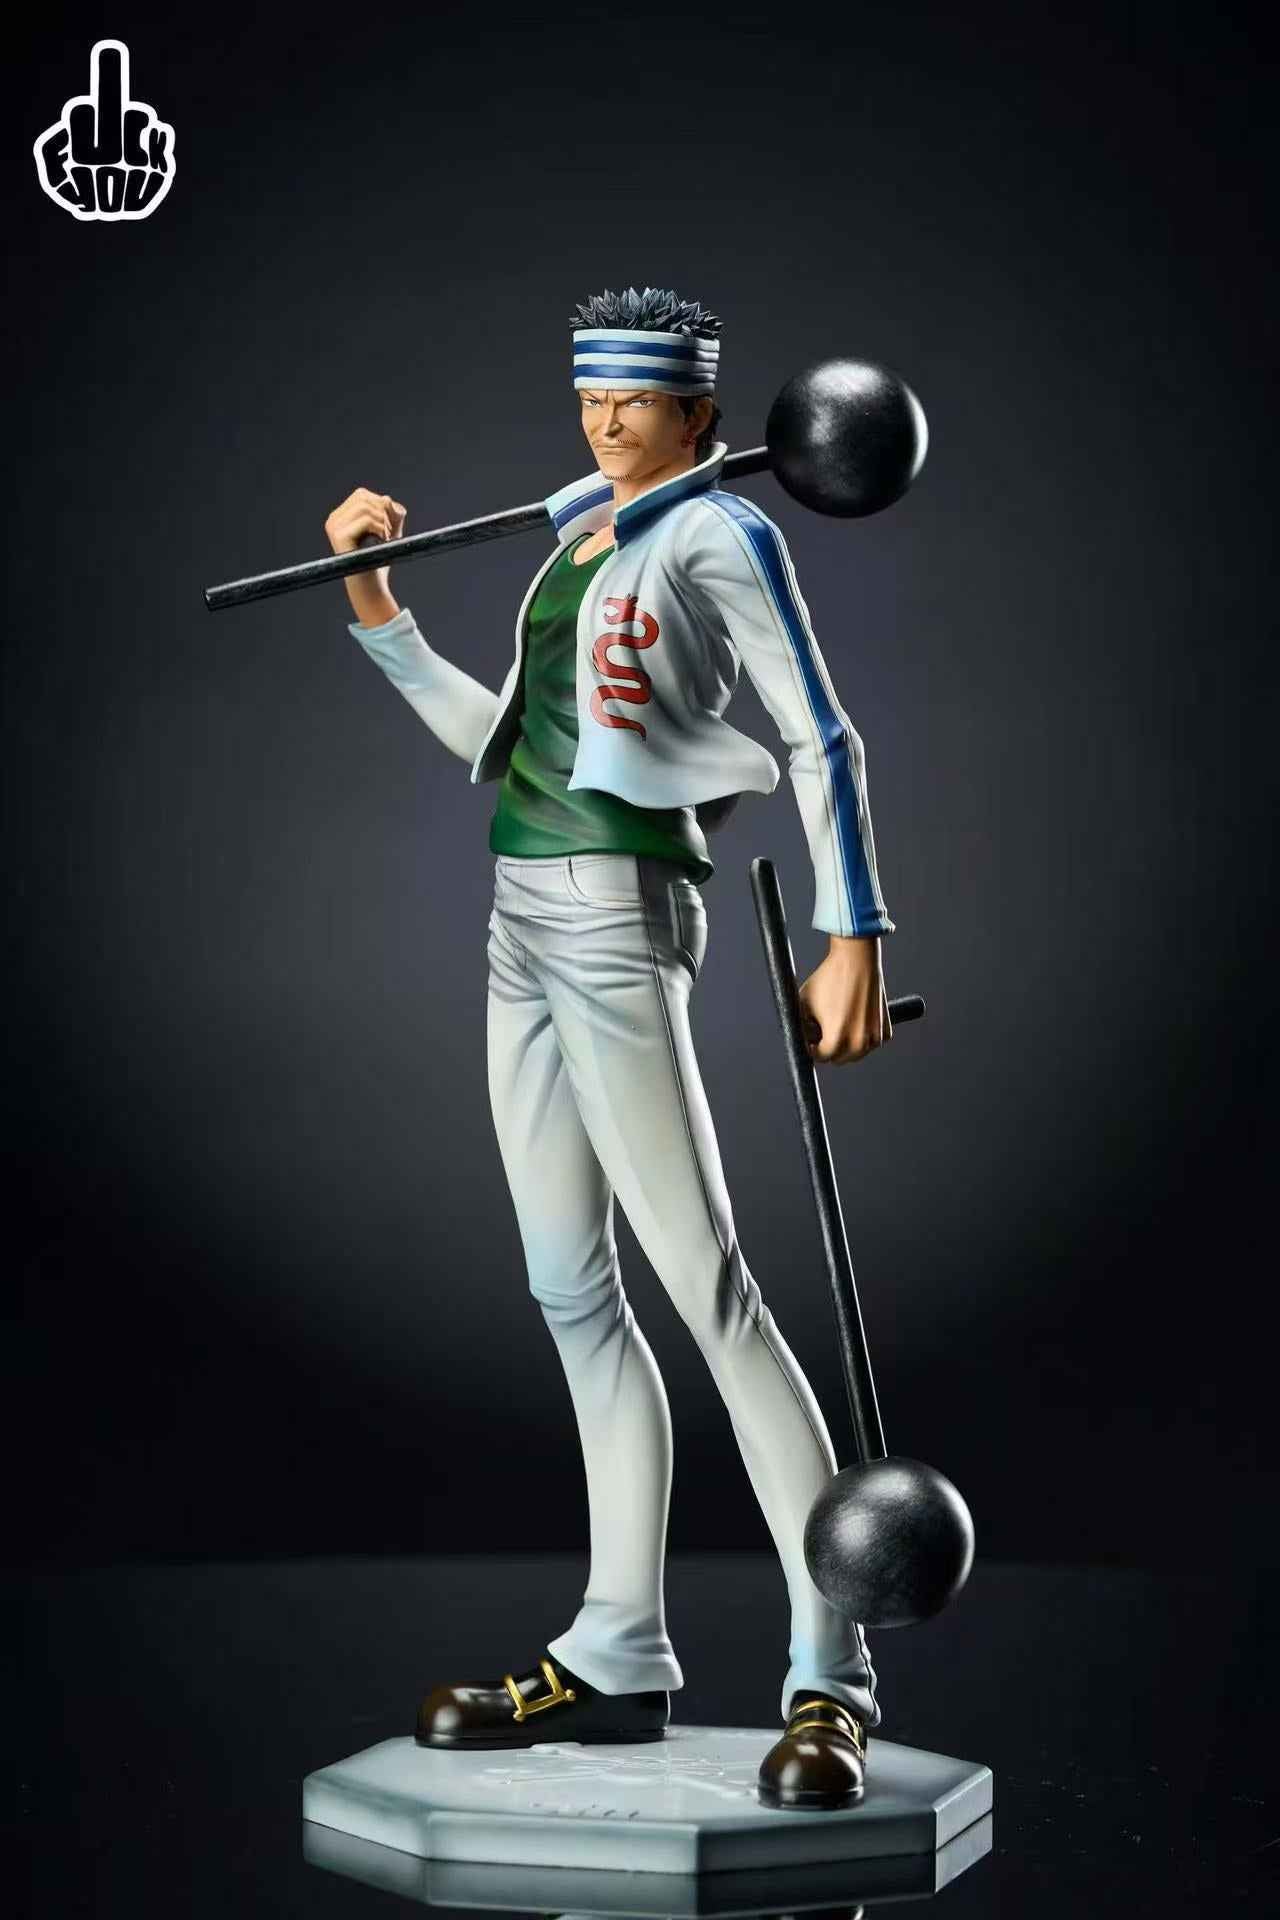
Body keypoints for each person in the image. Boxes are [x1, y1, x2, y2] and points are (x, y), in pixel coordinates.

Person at [323, 285, 897, 1810]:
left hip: (618, 912)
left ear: (701, 413)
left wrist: (854, 930)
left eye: (636, 400)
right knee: (571, 1289)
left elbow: (821, 733)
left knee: (708, 1287)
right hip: (516, 915)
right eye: (590, 396)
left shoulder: (720, 534)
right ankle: (618, 1649)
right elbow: (501, 746)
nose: (605, 421)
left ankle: (831, 1673)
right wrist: (381, 616)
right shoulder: (581, 537)